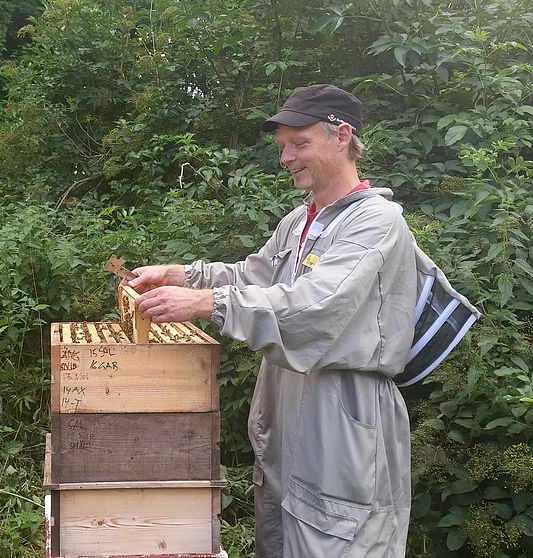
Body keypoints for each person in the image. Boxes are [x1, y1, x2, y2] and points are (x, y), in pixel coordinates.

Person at [128, 84, 416, 558]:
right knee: (281, 527)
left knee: (337, 536)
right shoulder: (300, 220)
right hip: (286, 393)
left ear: (341, 137)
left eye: (299, 143)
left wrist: (204, 303)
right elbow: (254, 274)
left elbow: (314, 305)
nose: (286, 157)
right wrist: (180, 273)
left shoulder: (376, 221)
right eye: (283, 145)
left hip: (343, 403)